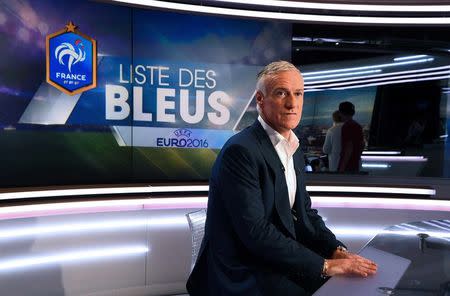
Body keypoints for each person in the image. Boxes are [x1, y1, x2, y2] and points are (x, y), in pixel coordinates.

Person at [186, 61, 377, 296]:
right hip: (242, 271)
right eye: (281, 93)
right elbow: (256, 233)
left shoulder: (293, 148)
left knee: (347, 286)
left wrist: (335, 250)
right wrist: (324, 265)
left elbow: (304, 214)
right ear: (260, 100)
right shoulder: (241, 151)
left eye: (298, 94)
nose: (292, 103)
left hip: (272, 260)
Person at [337, 101, 365, 173]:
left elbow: (349, 147)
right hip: (355, 164)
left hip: (347, 165)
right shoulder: (358, 126)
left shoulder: (346, 126)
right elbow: (362, 144)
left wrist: (342, 168)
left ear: (341, 112)